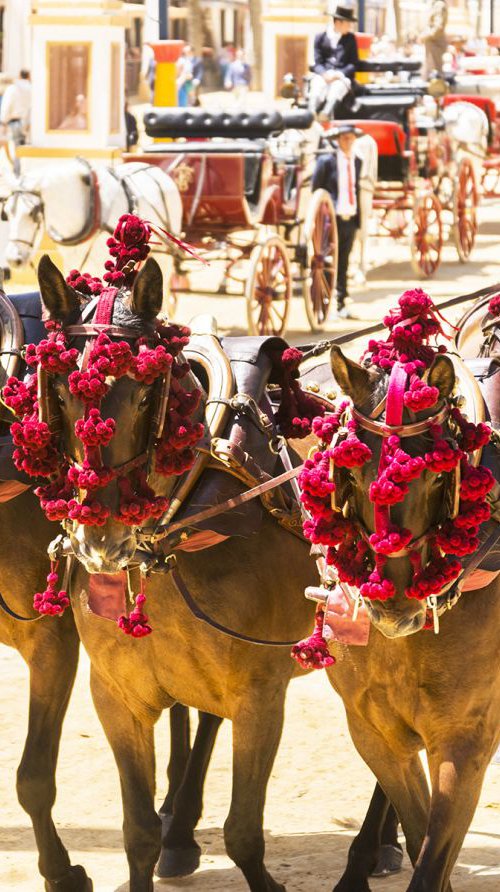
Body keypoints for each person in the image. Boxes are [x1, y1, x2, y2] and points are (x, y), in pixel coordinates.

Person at [312, 123, 362, 319]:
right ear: (338, 140)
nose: (348, 141)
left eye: (351, 138)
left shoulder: (357, 161)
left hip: (350, 217)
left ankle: (341, 302)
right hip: (330, 220)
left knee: (344, 261)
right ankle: (324, 302)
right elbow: (317, 190)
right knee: (326, 260)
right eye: (344, 138)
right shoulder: (326, 161)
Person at [309, 6, 359, 121]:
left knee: (338, 87)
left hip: (341, 77)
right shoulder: (320, 38)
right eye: (348, 23)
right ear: (338, 22)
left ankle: (325, 113)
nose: (350, 27)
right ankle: (311, 113)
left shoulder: (351, 39)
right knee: (316, 85)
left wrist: (339, 74)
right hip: (324, 75)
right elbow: (317, 62)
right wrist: (324, 74)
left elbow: (353, 64)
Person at [0, 69, 31, 175]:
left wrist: (3, 122)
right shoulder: (31, 88)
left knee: (15, 149)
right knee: (21, 149)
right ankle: (19, 172)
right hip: (26, 122)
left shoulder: (13, 89)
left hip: (13, 122)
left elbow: (6, 105)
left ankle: (16, 173)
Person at [422, 0, 448, 78]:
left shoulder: (439, 4)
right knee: (430, 73)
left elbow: (438, 26)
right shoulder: (434, 4)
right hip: (432, 42)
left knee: (435, 76)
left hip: (435, 42)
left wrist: (426, 36)